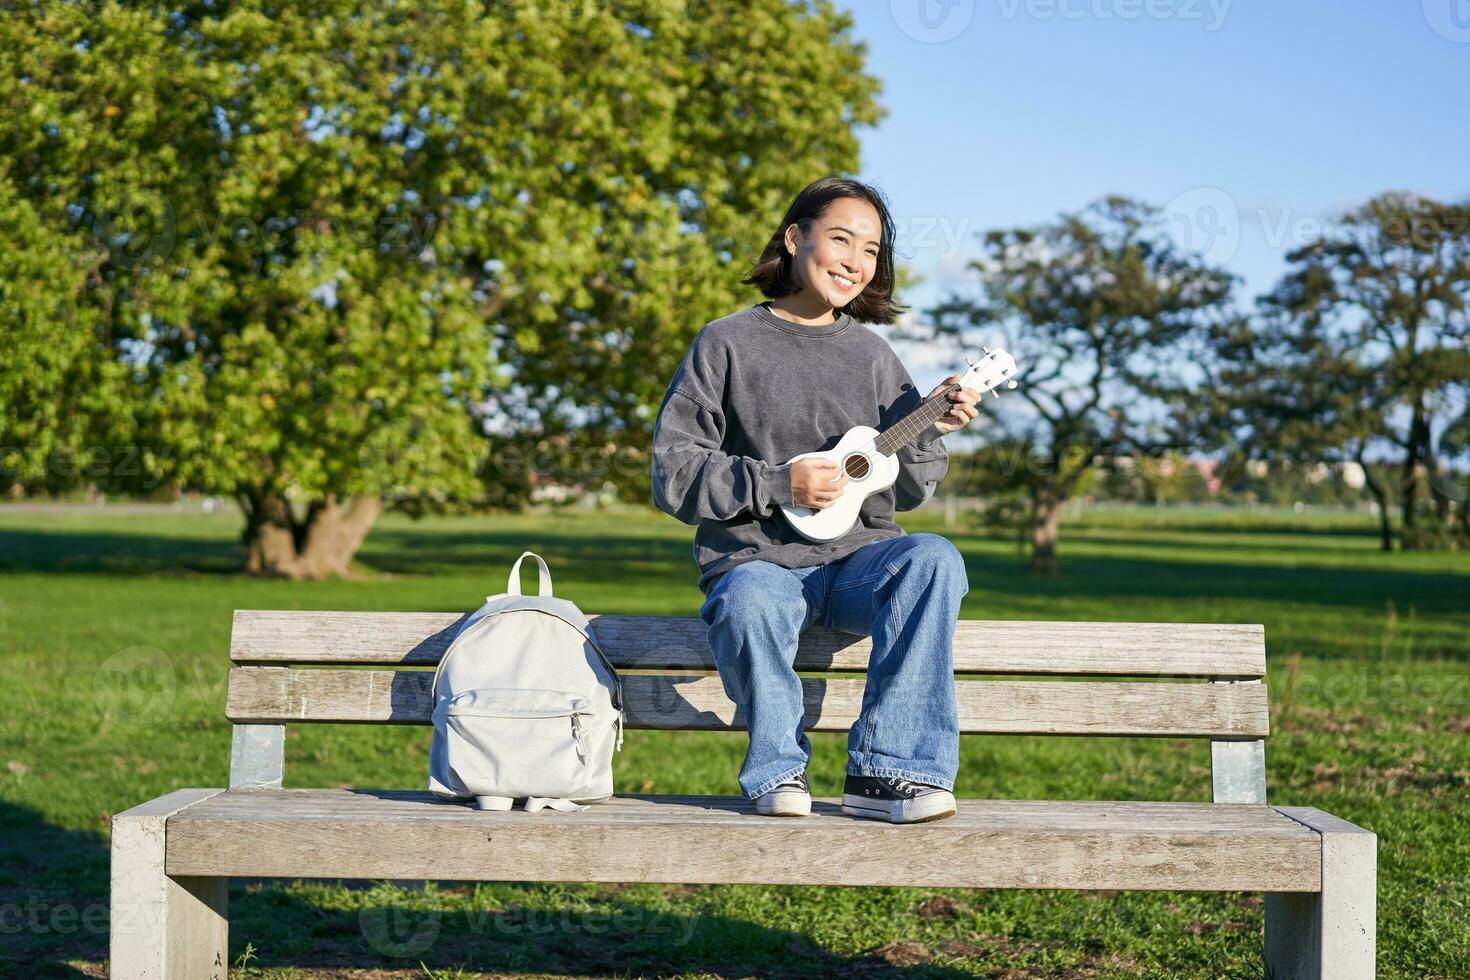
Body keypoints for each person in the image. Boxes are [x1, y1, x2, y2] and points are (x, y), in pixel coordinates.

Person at [649, 176, 981, 824]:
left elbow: (907, 492)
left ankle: (889, 774)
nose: (856, 261)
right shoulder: (726, 343)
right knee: (748, 599)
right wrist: (778, 483)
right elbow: (673, 471)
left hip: (859, 566)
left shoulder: (874, 355)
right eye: (841, 239)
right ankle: (778, 771)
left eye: (871, 250)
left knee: (933, 558)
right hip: (758, 563)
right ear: (795, 238)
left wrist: (928, 432)